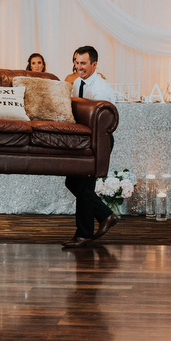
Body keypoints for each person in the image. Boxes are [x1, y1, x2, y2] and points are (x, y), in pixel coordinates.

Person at [62, 45, 118, 248]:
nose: (79, 66)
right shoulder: (77, 82)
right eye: (77, 62)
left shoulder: (100, 89)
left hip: (98, 141)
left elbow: (106, 123)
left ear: (94, 64)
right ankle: (105, 216)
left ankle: (83, 233)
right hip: (84, 141)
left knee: (85, 187)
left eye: (83, 63)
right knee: (72, 183)